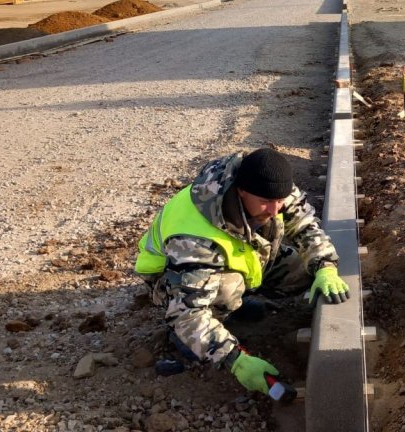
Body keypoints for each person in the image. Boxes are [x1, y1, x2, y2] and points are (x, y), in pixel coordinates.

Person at [134, 148, 349, 397]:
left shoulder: (270, 187)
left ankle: (235, 303)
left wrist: (325, 266)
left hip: (237, 256)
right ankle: (188, 337)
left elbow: (304, 226)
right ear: (241, 191)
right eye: (266, 202)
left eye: (280, 201)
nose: (275, 210)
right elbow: (188, 314)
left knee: (302, 269)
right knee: (227, 288)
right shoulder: (195, 238)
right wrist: (235, 360)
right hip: (171, 281)